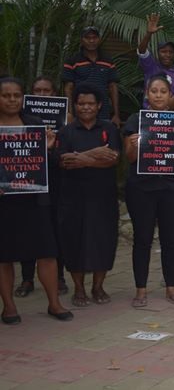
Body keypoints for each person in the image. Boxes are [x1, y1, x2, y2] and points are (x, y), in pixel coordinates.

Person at [0, 77, 72, 325]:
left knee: (47, 252)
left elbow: (49, 167)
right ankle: (9, 307)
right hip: (4, 204)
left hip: (35, 200)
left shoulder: (34, 124)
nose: (11, 100)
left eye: (16, 95)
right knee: (4, 256)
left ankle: (54, 303)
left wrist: (49, 149)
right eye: (6, 95)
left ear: (22, 98)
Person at [123, 76, 174, 307]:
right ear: (147, 93)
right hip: (141, 188)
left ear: (169, 93)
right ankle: (141, 290)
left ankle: (171, 288)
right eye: (153, 91)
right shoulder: (136, 120)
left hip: (172, 188)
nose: (158, 95)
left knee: (171, 239)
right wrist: (133, 145)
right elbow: (130, 157)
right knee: (142, 239)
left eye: (163, 91)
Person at [57, 84, 121, 308]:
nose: (86, 107)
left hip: (102, 197)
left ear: (99, 105)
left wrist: (81, 160)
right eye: (81, 103)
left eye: (90, 104)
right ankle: (79, 288)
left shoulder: (109, 129)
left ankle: (98, 286)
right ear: (75, 105)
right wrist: (94, 155)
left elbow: (113, 158)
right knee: (74, 242)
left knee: (103, 241)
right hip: (72, 198)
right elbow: (64, 162)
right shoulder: (66, 132)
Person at [15, 76, 68, 298]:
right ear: (30, 94)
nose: (42, 95)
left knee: (56, 229)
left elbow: (61, 158)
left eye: (47, 91)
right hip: (24, 184)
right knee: (28, 230)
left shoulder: (65, 122)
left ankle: (59, 277)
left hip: (55, 182)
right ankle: (27, 278)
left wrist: (52, 145)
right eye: (38, 91)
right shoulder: (23, 120)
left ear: (55, 94)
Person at [62, 26, 120, 125]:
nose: (91, 40)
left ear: (99, 39)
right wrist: (70, 113)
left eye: (94, 37)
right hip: (80, 112)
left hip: (103, 112)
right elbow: (68, 89)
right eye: (87, 38)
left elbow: (113, 87)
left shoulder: (108, 61)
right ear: (81, 40)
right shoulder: (72, 61)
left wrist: (116, 114)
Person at [137, 13, 174, 105]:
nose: (167, 55)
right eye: (164, 52)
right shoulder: (151, 66)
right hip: (149, 115)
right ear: (157, 53)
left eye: (170, 52)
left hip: (171, 116)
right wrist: (149, 33)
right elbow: (141, 51)